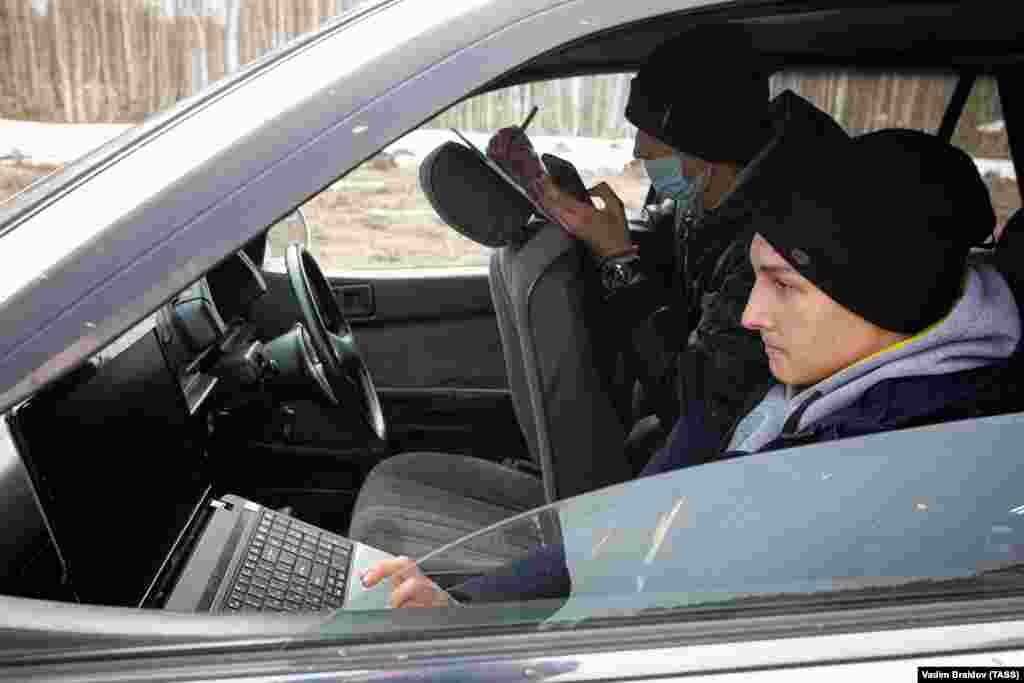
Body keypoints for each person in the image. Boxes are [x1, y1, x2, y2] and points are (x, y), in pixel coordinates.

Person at [362, 116, 1023, 608]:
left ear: (882, 296)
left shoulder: (915, 474)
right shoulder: (799, 380)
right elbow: (647, 512)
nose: (750, 313)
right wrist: (466, 608)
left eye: (784, 284)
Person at [488, 24, 779, 466]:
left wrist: (618, 260)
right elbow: (666, 257)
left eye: (652, 138)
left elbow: (689, 401)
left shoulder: (765, 252)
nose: (638, 150)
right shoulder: (703, 205)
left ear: (704, 142)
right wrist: (566, 204)